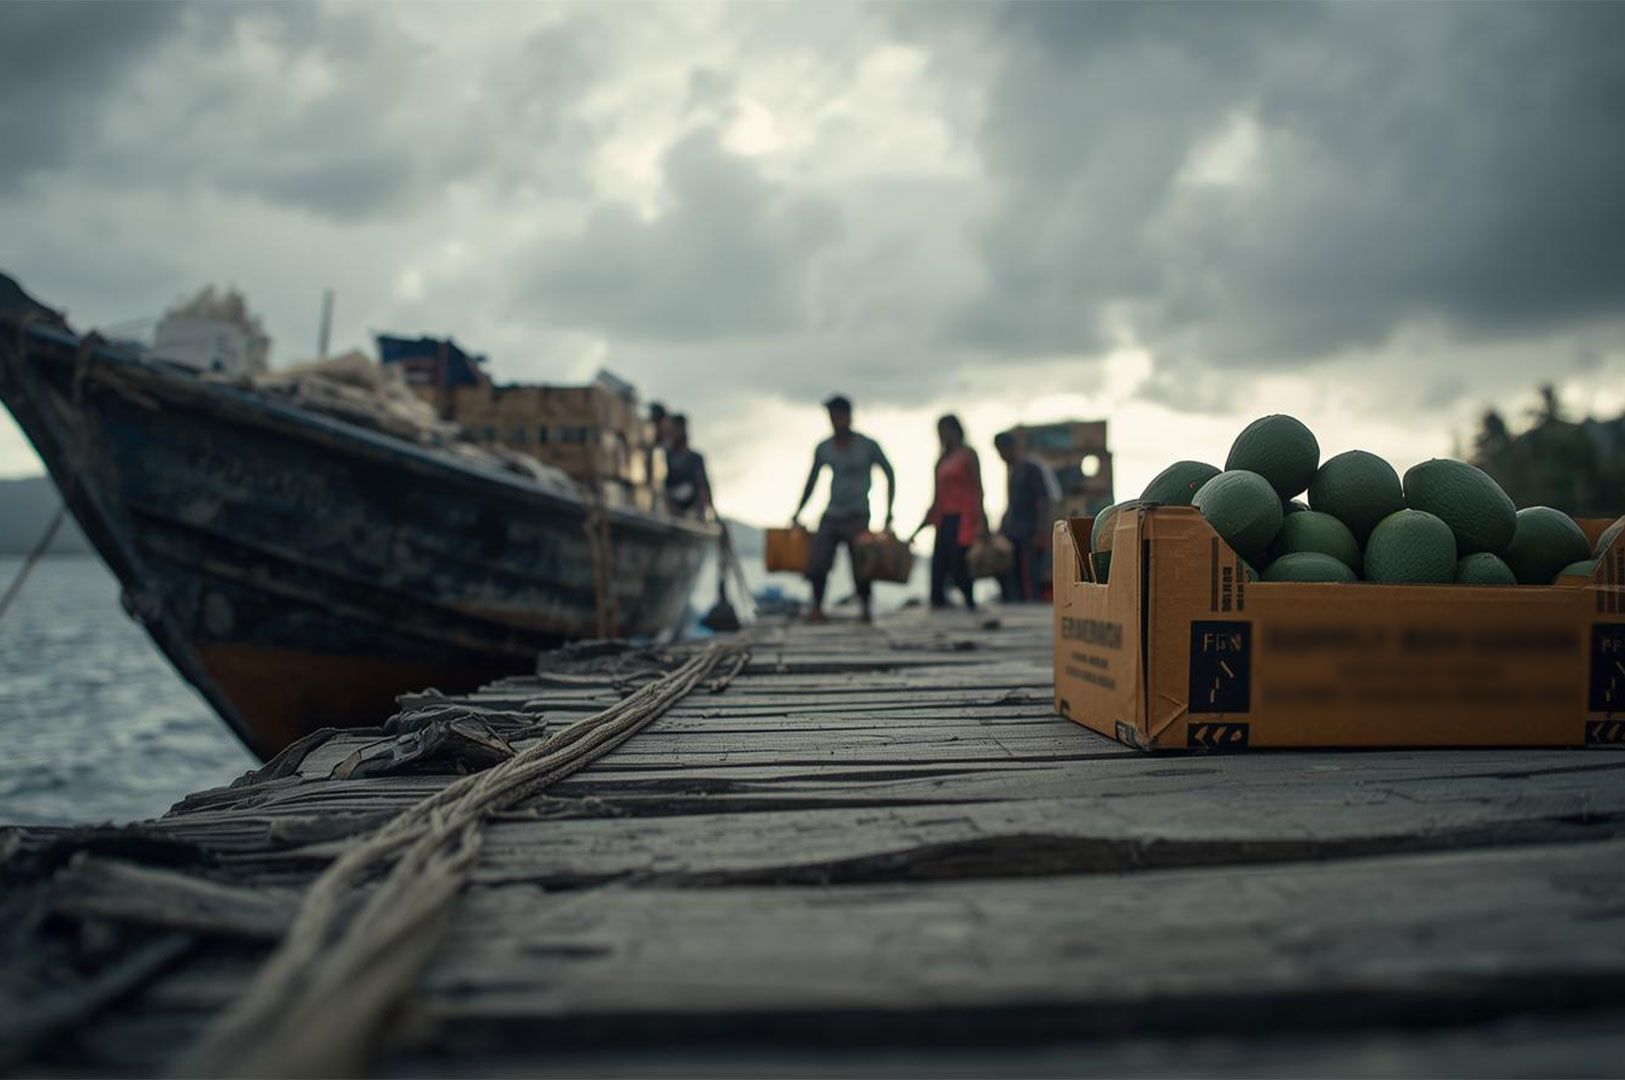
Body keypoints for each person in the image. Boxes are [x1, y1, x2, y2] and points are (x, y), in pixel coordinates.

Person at [793, 394, 896, 624]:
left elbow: (889, 473)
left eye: (839, 416)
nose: (835, 421)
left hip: (858, 514)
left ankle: (865, 608)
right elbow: (812, 481)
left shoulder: (867, 446)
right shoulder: (824, 448)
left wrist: (889, 513)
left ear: (849, 417)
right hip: (832, 514)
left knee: (861, 562)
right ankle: (817, 607)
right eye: (832, 417)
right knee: (818, 559)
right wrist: (798, 511)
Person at [911, 414, 985, 611]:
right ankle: (940, 604)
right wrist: (919, 529)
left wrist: (980, 522)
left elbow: (977, 489)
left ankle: (970, 603)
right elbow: (936, 498)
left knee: (960, 564)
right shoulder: (942, 460)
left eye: (947, 430)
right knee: (939, 567)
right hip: (943, 519)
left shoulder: (968, 455)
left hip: (963, 518)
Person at [994, 431, 1057, 602]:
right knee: (1013, 572)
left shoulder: (1031, 469)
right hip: (1015, 531)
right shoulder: (1012, 471)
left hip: (1030, 530)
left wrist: (1041, 530)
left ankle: (1031, 603)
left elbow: (1043, 501)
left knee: (1030, 572)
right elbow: (1011, 505)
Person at [662, 414, 713, 519]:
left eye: (676, 429)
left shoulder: (695, 458)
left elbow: (703, 488)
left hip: (690, 513)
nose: (673, 433)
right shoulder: (664, 456)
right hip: (667, 510)